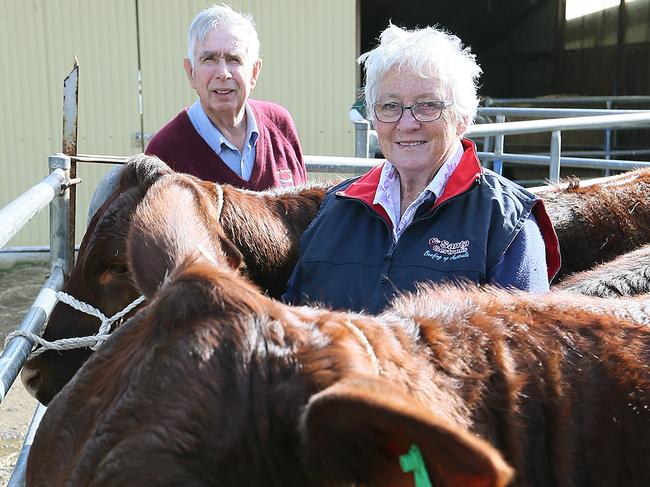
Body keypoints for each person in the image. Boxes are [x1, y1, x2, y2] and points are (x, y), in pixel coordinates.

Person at [284, 24, 560, 314]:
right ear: (374, 119)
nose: (407, 123)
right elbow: (293, 322)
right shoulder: (338, 207)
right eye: (390, 106)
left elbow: (526, 348)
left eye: (428, 105)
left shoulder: (505, 221)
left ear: (463, 117)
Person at [145, 4, 307, 189]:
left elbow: (310, 214)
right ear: (191, 72)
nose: (223, 73)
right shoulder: (164, 152)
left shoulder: (280, 125)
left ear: (254, 72)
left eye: (234, 59)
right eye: (209, 59)